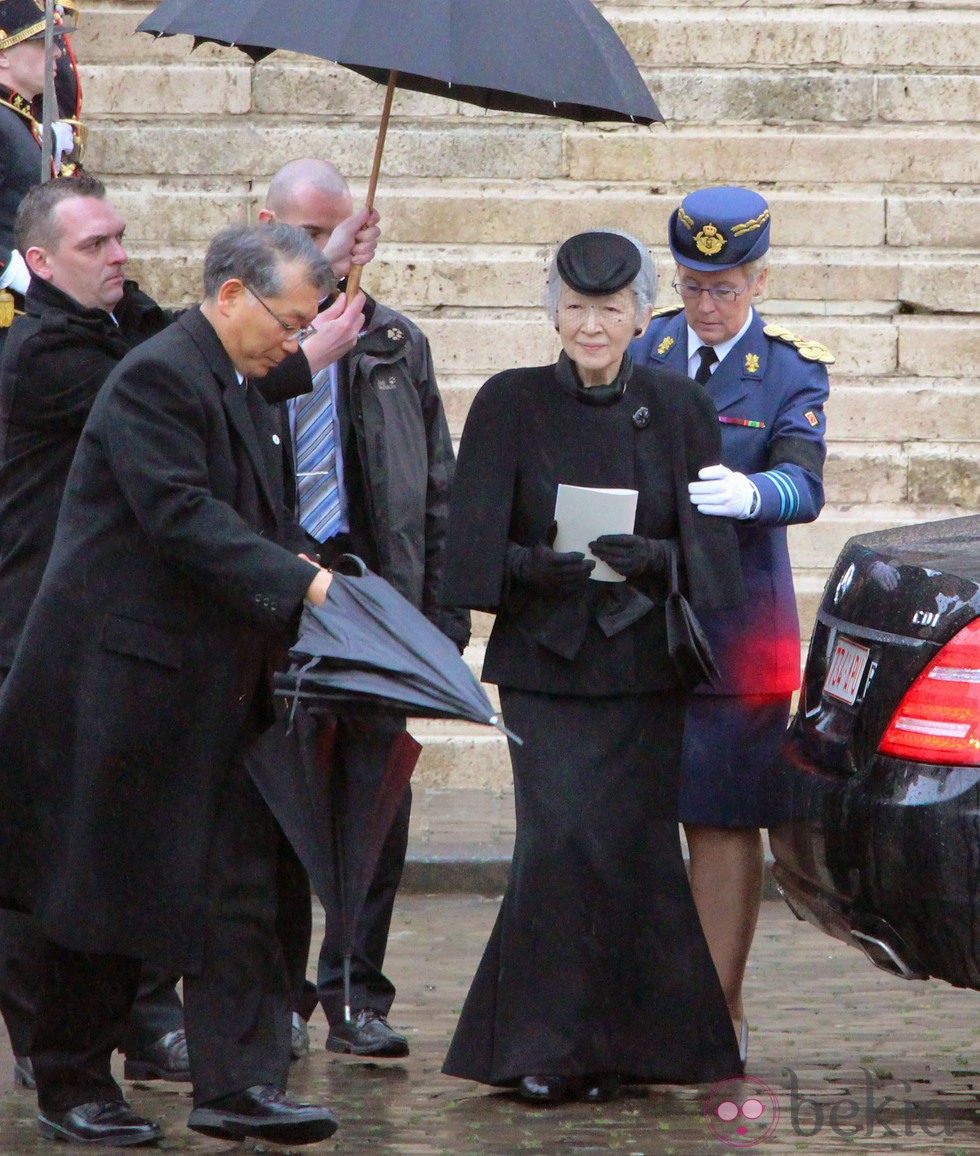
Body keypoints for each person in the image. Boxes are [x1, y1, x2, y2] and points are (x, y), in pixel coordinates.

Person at [0, 220, 378, 1147]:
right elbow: (181, 516)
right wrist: (306, 582)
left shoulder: (235, 371)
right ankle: (73, 1086)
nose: (296, 342)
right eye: (288, 322)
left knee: (239, 890)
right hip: (117, 688)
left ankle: (239, 1083)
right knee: (100, 893)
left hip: (210, 684)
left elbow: (252, 499)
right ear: (230, 298)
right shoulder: (159, 378)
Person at [440, 229, 746, 1104]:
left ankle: (634, 1047)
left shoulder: (679, 405)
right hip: (548, 666)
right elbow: (463, 556)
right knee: (559, 846)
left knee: (634, 852)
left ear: (643, 316)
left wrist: (661, 561)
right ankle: (543, 1044)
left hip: (645, 666)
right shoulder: (509, 403)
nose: (592, 326)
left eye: (611, 310)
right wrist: (529, 569)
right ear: (553, 313)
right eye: (575, 309)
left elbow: (713, 559)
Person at [257, 157, 469, 1060]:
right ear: (264, 224)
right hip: (274, 597)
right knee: (275, 807)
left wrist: (439, 613)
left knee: (375, 805)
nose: (329, 249)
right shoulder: (251, 341)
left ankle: (357, 992)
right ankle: (274, 994)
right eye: (307, 234)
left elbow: (434, 484)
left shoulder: (394, 342)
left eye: (340, 232)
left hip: (374, 595)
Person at [630, 186, 831, 1060]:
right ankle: (641, 1002)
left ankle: (720, 1008)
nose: (706, 306)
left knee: (720, 816)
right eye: (690, 285)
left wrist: (755, 494)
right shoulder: (647, 347)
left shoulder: (790, 369)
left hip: (739, 622)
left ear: (757, 279)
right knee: (636, 816)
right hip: (646, 614)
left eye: (724, 288)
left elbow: (804, 482)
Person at [0, 0, 82, 353]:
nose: (58, 54)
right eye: (42, 42)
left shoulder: (19, 120)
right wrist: (6, 266)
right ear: (3, 55)